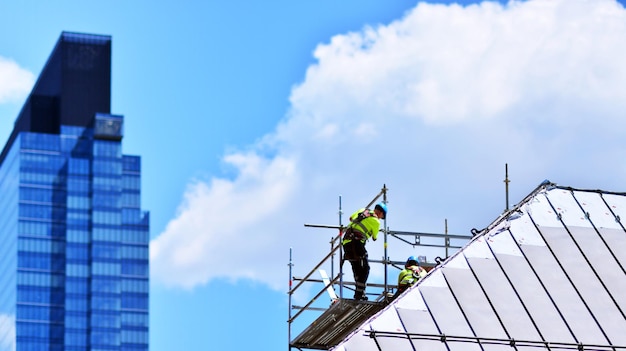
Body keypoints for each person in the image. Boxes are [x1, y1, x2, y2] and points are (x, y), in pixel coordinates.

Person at [342, 202, 387, 301]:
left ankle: (359, 293)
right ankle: (359, 294)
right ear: (380, 213)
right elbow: (375, 237)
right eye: (381, 216)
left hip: (346, 242)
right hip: (357, 243)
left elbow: (351, 218)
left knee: (357, 268)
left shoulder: (363, 210)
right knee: (365, 268)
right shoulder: (376, 221)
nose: (380, 218)